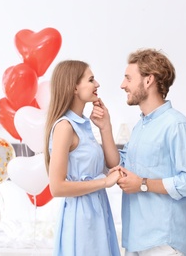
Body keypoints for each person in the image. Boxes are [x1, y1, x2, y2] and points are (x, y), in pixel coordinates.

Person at [91, 48, 186, 256]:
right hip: (136, 239)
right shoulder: (141, 126)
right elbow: (119, 162)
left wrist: (142, 184)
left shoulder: (176, 125)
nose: (122, 85)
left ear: (148, 80)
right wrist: (105, 127)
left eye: (128, 78)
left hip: (164, 243)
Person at [44, 60, 122, 256]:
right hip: (81, 216)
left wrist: (105, 127)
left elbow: (113, 163)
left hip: (97, 210)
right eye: (91, 79)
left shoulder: (84, 125)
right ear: (74, 88)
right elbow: (57, 187)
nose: (97, 85)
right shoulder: (65, 127)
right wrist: (104, 182)